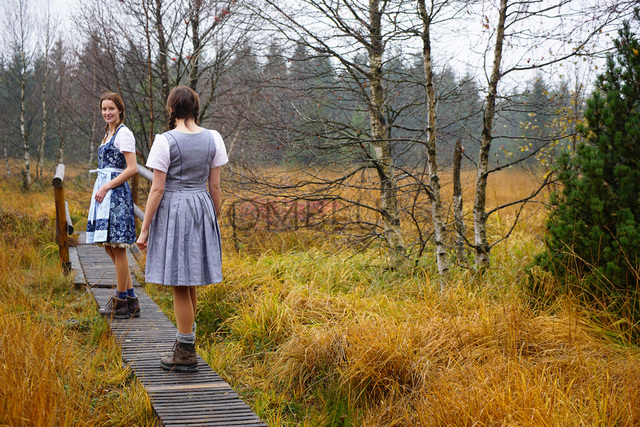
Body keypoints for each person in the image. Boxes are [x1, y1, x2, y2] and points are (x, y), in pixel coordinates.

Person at [136, 86, 228, 372]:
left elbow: (157, 189)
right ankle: (188, 341)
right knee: (190, 280)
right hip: (201, 207)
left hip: (176, 210)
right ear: (195, 108)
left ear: (171, 109)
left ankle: (186, 350)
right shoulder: (214, 138)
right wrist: (214, 215)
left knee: (179, 281)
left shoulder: (165, 141)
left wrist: (144, 229)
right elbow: (214, 185)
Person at [87, 91, 140, 319]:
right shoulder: (107, 133)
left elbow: (132, 168)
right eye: (104, 109)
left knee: (117, 247)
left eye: (111, 108)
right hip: (104, 193)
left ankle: (121, 301)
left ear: (120, 110)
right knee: (109, 246)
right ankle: (130, 299)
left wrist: (107, 187)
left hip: (116, 195)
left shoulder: (123, 134)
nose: (107, 112)